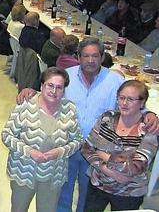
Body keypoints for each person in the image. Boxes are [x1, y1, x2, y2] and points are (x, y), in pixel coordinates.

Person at [16, 37, 159, 212]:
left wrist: (149, 114)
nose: (90, 60)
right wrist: (31, 91)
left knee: (88, 199)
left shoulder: (115, 82)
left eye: (95, 56)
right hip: (67, 145)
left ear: (102, 56)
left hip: (96, 150)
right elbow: (50, 95)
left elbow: (130, 104)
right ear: (78, 56)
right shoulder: (67, 76)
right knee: (62, 192)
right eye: (85, 56)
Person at [2, 67, 82, 212]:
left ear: (64, 90)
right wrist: (30, 151)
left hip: (54, 174)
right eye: (50, 85)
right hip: (24, 171)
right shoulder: (25, 106)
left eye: (59, 87)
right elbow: (7, 135)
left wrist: (59, 151)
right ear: (41, 86)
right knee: (19, 208)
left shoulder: (69, 109)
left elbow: (77, 140)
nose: (54, 91)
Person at [82, 80, 158, 211]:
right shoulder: (107, 118)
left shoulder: (149, 129)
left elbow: (134, 168)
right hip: (98, 184)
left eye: (130, 99)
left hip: (129, 192)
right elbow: (86, 148)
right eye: (121, 98)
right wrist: (108, 170)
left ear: (142, 102)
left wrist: (101, 153)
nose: (124, 103)